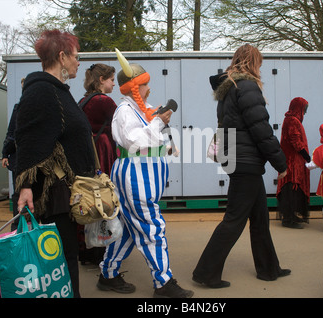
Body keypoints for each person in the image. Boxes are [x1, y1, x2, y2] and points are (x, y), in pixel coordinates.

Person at [192, 44, 289, 288]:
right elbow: (261, 129)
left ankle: (269, 269)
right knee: (234, 219)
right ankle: (205, 273)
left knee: (259, 218)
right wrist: (280, 162)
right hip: (245, 161)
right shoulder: (246, 87)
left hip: (237, 158)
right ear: (253, 62)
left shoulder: (229, 89)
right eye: (260, 63)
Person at [98, 49, 193, 298]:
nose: (149, 88)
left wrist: (167, 144)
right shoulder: (125, 112)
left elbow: (150, 137)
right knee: (152, 228)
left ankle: (107, 274)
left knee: (129, 230)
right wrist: (160, 122)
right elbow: (134, 141)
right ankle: (163, 283)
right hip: (134, 178)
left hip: (145, 176)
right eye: (145, 84)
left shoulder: (143, 108)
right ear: (134, 87)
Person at [15, 29, 96, 298]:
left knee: (62, 257)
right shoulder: (41, 91)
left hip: (62, 193)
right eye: (76, 56)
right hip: (48, 196)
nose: (79, 62)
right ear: (62, 57)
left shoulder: (58, 90)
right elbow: (27, 140)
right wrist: (25, 187)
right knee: (56, 260)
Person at [78, 64, 117, 265]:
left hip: (87, 156)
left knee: (89, 200)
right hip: (102, 154)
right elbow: (120, 125)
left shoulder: (83, 100)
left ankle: (86, 250)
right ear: (101, 79)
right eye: (111, 79)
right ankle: (103, 249)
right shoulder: (104, 101)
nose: (113, 84)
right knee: (104, 199)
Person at [276, 97, 310, 229]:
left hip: (292, 161)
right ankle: (288, 219)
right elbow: (296, 141)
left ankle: (291, 216)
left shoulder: (291, 120)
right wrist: (307, 157)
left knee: (292, 190)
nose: (305, 112)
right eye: (304, 109)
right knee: (291, 188)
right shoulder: (292, 121)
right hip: (292, 163)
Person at [1, 78, 24, 231]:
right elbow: (11, 134)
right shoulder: (19, 108)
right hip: (19, 158)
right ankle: (18, 229)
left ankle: (19, 228)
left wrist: (5, 153)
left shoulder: (20, 107)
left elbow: (11, 134)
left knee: (19, 195)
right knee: (19, 195)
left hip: (20, 158)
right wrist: (5, 153)